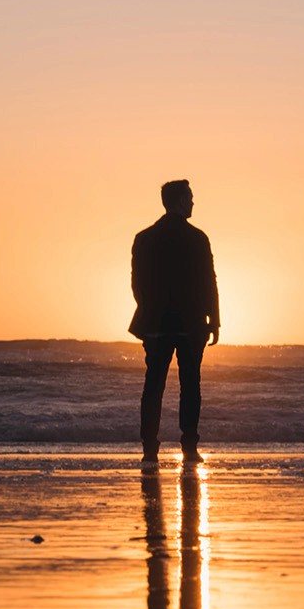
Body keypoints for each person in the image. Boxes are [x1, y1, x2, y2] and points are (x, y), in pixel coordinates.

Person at [130, 179, 219, 463]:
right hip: (190, 323)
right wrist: (214, 318)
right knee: (190, 384)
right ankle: (189, 446)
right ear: (180, 200)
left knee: (153, 385)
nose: (194, 202)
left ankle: (149, 448)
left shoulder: (144, 237)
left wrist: (147, 309)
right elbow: (209, 282)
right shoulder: (197, 238)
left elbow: (137, 282)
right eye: (190, 197)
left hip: (156, 323)